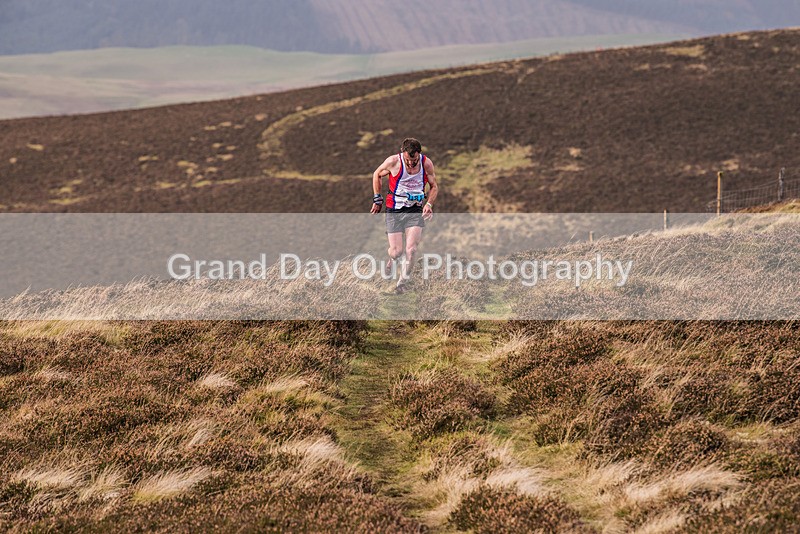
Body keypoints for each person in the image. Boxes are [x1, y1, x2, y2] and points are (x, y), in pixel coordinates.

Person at [371, 137, 439, 293]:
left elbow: (434, 186)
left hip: (414, 210)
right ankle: (392, 259)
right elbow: (377, 174)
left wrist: (429, 204)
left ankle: (401, 284)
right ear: (403, 153)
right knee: (396, 252)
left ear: (419, 154)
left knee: (412, 250)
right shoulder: (393, 161)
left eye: (414, 160)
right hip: (394, 210)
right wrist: (377, 198)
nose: (411, 163)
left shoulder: (426, 164)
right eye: (408, 160)